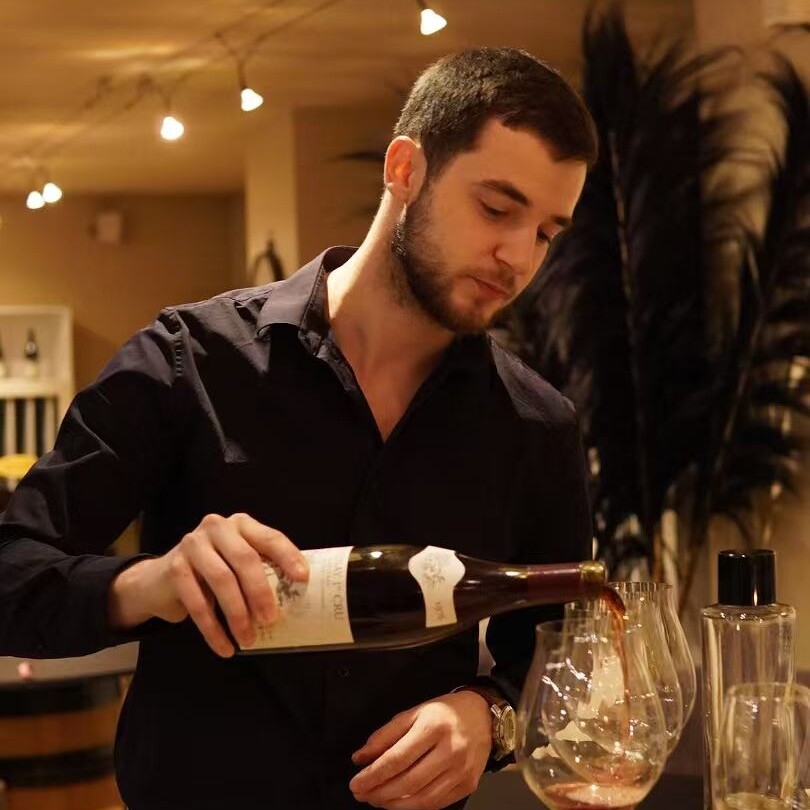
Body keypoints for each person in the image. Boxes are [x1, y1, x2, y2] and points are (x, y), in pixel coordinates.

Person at [0, 47, 597, 810]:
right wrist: (152, 582)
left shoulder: (537, 427)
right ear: (406, 170)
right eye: (496, 209)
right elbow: (11, 578)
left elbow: (560, 655)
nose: (518, 258)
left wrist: (491, 718)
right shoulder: (188, 362)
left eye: (546, 233)